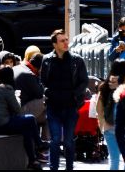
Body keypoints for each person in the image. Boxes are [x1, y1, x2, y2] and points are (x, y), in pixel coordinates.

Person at [40, 29, 88, 171]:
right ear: (54, 44)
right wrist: (47, 92)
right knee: (55, 140)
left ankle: (69, 167)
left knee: (68, 141)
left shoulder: (77, 60)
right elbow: (42, 81)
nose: (66, 43)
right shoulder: (47, 59)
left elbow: (83, 81)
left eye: (67, 39)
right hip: (53, 107)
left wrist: (74, 95)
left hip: (70, 107)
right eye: (62, 40)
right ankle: (53, 167)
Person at [0, 66, 44, 170]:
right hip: (1, 125)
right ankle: (39, 145)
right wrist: (17, 98)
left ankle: (33, 160)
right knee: (30, 119)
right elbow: (18, 111)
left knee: (26, 129)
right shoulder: (6, 89)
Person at [96, 60, 125, 171]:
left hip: (109, 127)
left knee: (114, 159)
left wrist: (102, 124)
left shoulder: (105, 87)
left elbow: (98, 108)